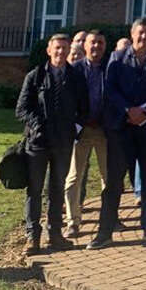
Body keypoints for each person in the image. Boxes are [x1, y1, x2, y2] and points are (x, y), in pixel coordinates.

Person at [88, 18, 146, 250]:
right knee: (114, 182)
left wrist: (143, 110)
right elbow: (111, 88)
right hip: (121, 128)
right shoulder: (116, 57)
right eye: (139, 32)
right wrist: (128, 109)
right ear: (132, 33)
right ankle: (104, 232)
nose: (143, 37)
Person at [17, 34, 89, 256]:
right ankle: (33, 236)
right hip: (37, 144)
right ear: (49, 50)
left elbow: (84, 109)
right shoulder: (35, 76)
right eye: (57, 48)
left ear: (69, 51)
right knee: (35, 190)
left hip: (63, 144)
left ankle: (55, 235)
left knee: (57, 190)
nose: (61, 52)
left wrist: (75, 131)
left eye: (65, 48)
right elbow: (21, 109)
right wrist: (38, 125)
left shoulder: (76, 77)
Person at [64, 31, 108, 238]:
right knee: (74, 177)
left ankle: (108, 220)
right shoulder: (74, 69)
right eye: (93, 43)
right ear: (85, 46)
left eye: (100, 43)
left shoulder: (111, 67)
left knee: (108, 177)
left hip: (104, 129)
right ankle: (73, 221)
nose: (96, 47)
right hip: (81, 129)